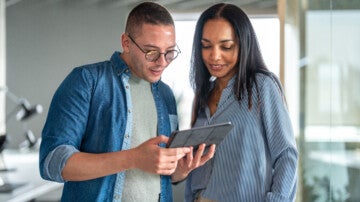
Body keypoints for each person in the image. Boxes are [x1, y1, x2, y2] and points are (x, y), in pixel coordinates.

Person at [39, 2, 214, 201]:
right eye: (151, 52)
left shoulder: (166, 95)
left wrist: (179, 170)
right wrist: (133, 158)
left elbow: (160, 172)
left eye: (170, 52)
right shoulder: (86, 81)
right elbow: (52, 162)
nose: (162, 61)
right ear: (126, 42)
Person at [182, 3, 299, 202]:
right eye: (206, 45)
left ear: (243, 44)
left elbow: (286, 156)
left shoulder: (262, 86)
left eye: (226, 46)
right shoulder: (202, 95)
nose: (214, 56)